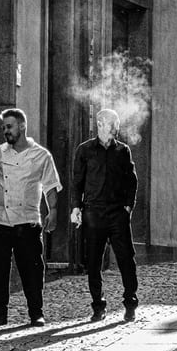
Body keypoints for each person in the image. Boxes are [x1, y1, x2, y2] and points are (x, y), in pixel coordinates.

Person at [0, 107, 61, 327]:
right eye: (4, 127)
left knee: (32, 268)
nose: (6, 131)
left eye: (9, 126)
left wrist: (53, 211)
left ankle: (36, 312)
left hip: (27, 219)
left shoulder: (41, 154)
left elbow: (50, 186)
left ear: (22, 126)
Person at [71, 108, 139, 323]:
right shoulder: (84, 150)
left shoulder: (122, 151)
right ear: (98, 125)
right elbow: (77, 182)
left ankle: (130, 303)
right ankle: (98, 306)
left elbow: (132, 180)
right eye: (102, 123)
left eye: (111, 124)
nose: (107, 127)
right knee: (93, 261)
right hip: (93, 211)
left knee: (126, 259)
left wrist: (128, 207)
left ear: (116, 127)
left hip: (117, 212)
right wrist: (76, 208)